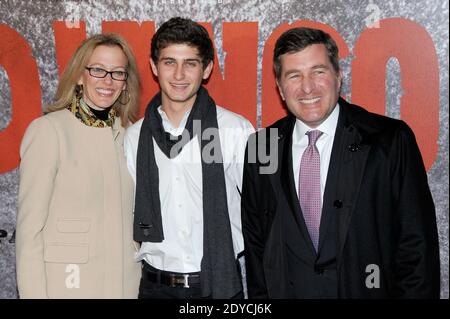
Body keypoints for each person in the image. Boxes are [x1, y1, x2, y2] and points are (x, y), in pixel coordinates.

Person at [241, 27, 440, 298]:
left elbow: (417, 249)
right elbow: (256, 249)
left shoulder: (389, 141)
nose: (307, 86)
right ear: (279, 86)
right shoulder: (260, 147)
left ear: (339, 75)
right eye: (294, 75)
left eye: (318, 71)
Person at [124, 17, 254, 299]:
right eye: (170, 62)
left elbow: (262, 213)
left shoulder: (238, 130)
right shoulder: (133, 137)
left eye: (190, 63)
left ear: (206, 68)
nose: (179, 74)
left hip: (218, 285)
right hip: (153, 287)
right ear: (153, 66)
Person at [16, 33, 142, 298]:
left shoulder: (132, 136)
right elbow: (29, 233)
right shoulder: (49, 131)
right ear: (80, 76)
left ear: (125, 83)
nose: (107, 80)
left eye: (117, 72)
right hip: (69, 286)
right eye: (98, 70)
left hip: (127, 287)